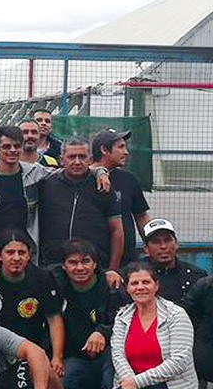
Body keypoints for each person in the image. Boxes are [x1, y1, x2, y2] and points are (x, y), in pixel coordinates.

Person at [95, 262, 199, 389]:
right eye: (134, 283)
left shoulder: (176, 315)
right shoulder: (123, 316)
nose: (140, 287)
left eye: (146, 282)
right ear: (127, 288)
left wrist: (137, 382)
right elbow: (118, 357)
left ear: (156, 285)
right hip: (131, 384)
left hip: (169, 386)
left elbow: (179, 361)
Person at [0, 229, 63, 369]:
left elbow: (54, 318)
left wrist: (57, 357)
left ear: (29, 255)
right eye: (10, 252)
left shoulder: (43, 278)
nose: (16, 258)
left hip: (31, 349)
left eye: (21, 253)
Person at [54, 239, 124, 389]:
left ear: (95, 264)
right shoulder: (56, 284)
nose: (80, 268)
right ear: (63, 266)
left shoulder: (111, 286)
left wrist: (103, 331)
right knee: (60, 381)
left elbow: (126, 322)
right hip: (77, 358)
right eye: (73, 262)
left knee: (112, 374)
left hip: (110, 357)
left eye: (86, 261)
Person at [37, 137, 123, 269]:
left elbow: (117, 230)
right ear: (61, 160)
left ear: (90, 159)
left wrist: (113, 269)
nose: (77, 162)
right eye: (71, 157)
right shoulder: (47, 185)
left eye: (82, 157)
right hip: (54, 265)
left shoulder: (102, 186)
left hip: (94, 266)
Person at [0, 125, 52, 263]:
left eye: (17, 146)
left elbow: (63, 172)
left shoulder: (35, 173)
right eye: (6, 147)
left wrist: (94, 169)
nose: (12, 150)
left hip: (22, 252)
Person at [92, 128, 150, 264]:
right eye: (121, 147)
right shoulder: (85, 178)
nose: (126, 152)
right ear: (104, 150)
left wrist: (151, 242)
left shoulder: (129, 179)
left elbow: (141, 216)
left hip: (126, 260)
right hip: (91, 260)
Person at [142, 218, 205, 303]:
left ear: (176, 244)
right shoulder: (133, 276)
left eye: (167, 240)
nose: (163, 246)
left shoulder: (196, 276)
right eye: (156, 242)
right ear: (146, 248)